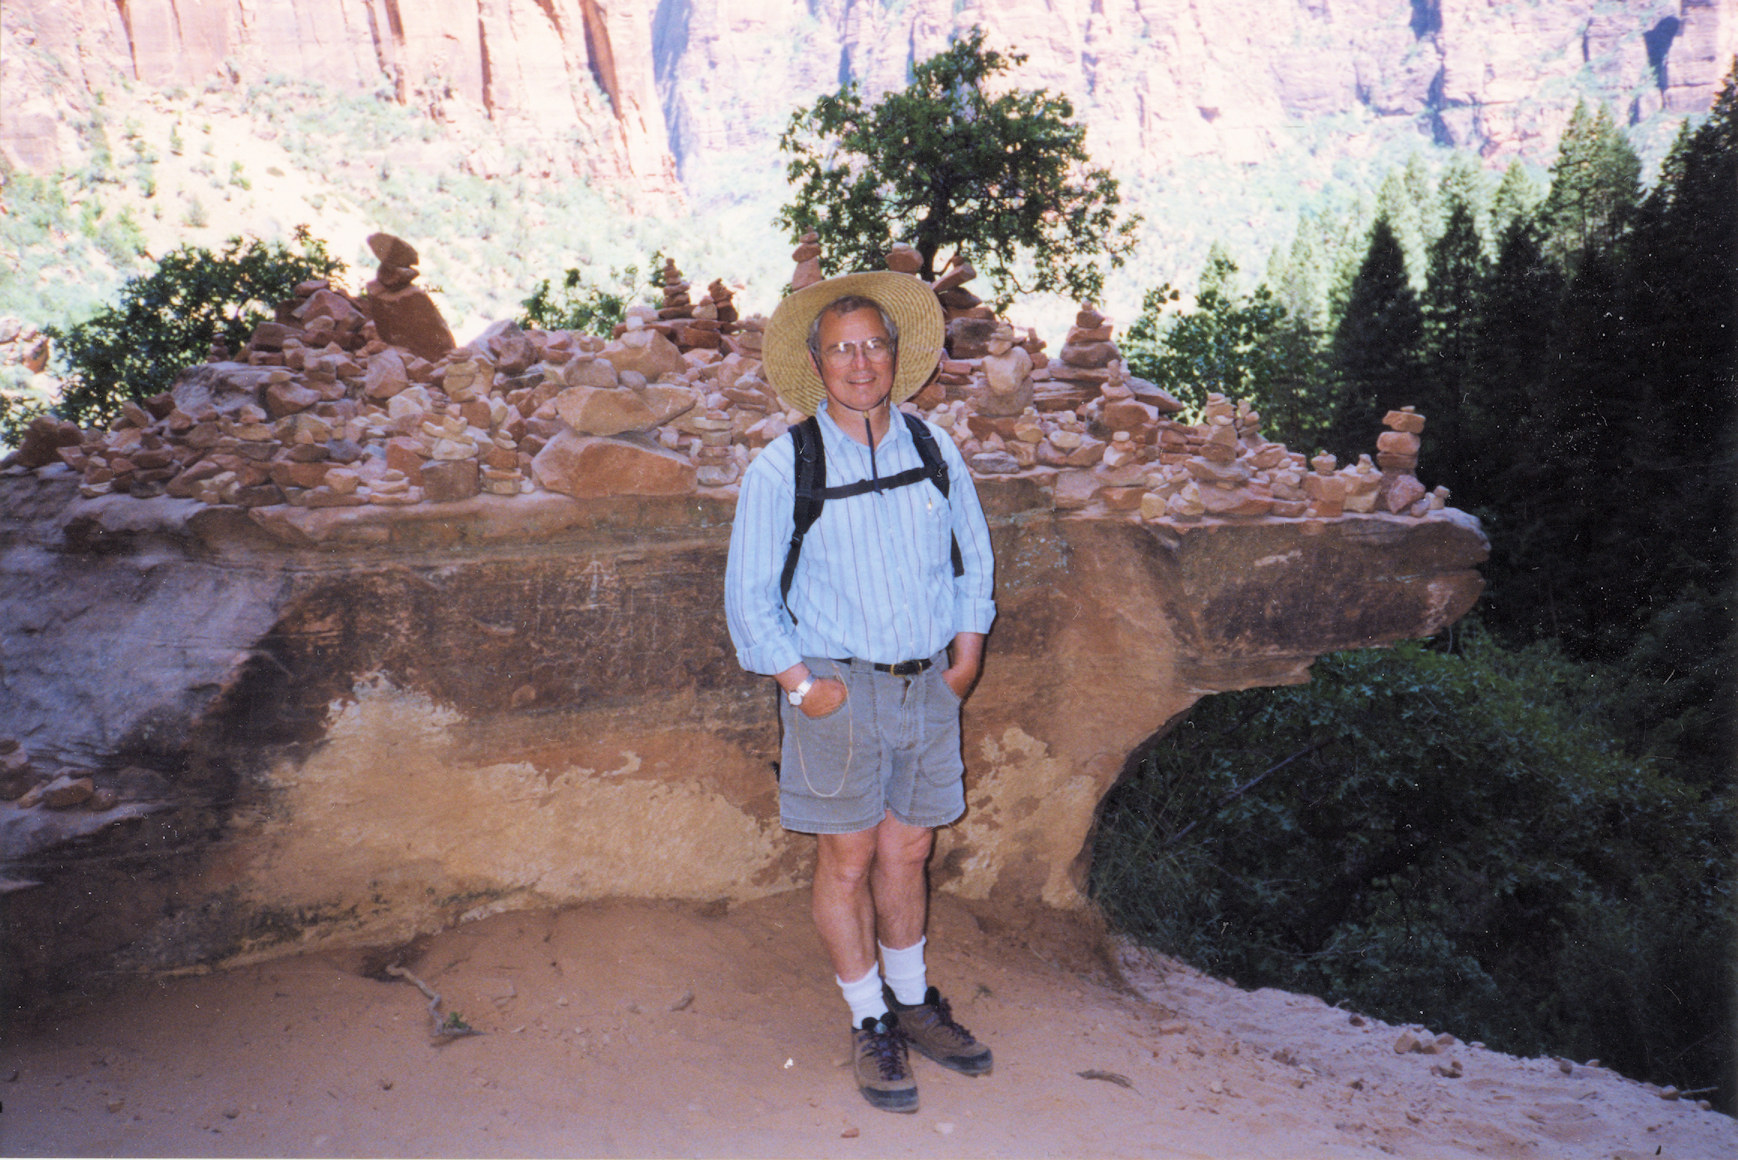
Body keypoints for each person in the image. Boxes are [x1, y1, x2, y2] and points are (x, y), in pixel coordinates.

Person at [724, 271, 997, 1114]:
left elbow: (972, 555)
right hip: (837, 689)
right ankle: (868, 1015)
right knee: (847, 855)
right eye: (841, 347)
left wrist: (967, 651)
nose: (860, 362)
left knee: (908, 849)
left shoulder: (931, 446)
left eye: (874, 344)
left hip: (926, 686)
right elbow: (749, 595)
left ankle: (912, 1001)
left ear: (897, 355)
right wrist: (801, 685)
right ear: (816, 362)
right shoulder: (785, 464)